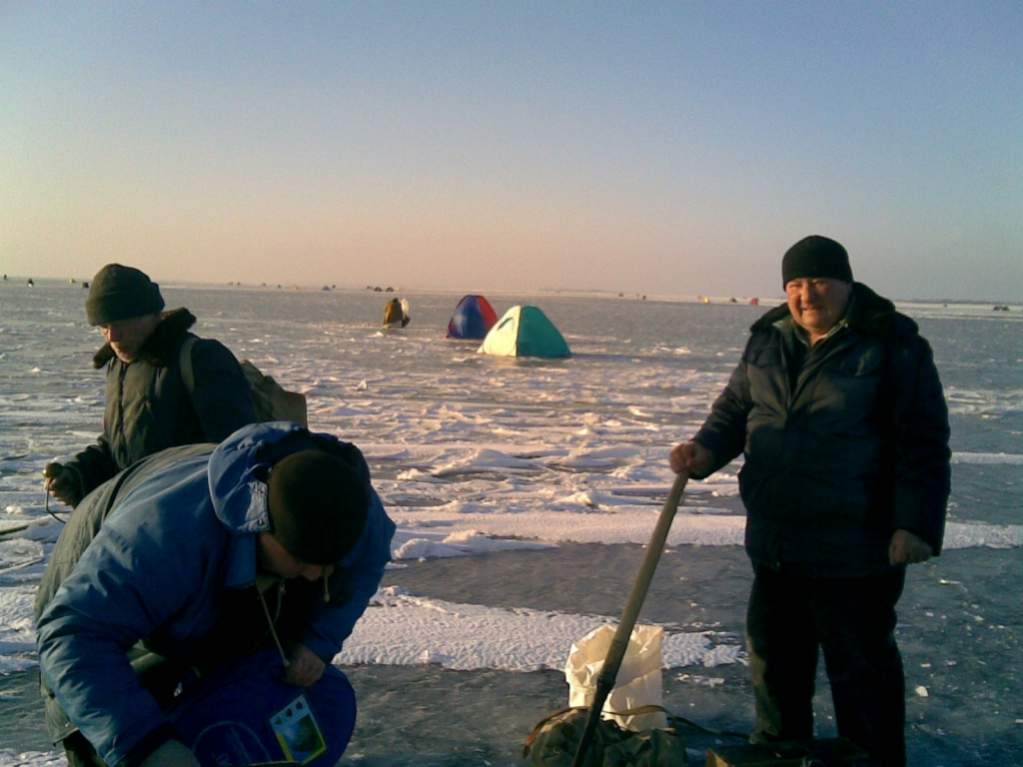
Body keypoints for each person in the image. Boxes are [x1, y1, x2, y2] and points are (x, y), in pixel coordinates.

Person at [669, 235, 950, 766]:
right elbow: (736, 409)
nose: (806, 295)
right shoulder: (767, 339)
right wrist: (704, 450)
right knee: (775, 665)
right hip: (777, 539)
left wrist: (914, 524)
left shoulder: (891, 343)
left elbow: (923, 443)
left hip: (857, 544)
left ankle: (872, 760)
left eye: (819, 281)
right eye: (795, 284)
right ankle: (780, 757)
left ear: (846, 283)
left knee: (861, 671)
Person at [36, 421, 396, 767]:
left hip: (219, 585)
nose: (315, 575)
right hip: (97, 610)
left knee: (245, 694)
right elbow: (72, 634)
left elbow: (366, 562)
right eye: (303, 560)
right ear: (260, 525)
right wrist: (145, 748)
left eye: (328, 565)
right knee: (121, 734)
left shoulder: (349, 502)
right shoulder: (168, 538)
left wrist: (318, 639)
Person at [43, 263, 257, 508]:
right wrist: (77, 476)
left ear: (152, 315)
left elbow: (236, 452)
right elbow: (121, 450)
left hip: (187, 516)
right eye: (104, 326)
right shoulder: (118, 366)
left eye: (121, 323)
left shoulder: (200, 359)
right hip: (135, 513)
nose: (112, 337)